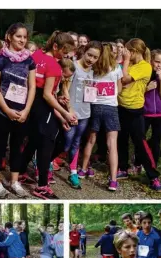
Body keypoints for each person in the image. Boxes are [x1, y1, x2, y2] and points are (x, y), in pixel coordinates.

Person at [19, 31, 76, 199]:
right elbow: (47, 95)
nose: (66, 56)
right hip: (42, 105)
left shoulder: (36, 55)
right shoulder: (54, 66)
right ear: (56, 46)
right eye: (64, 52)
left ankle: (21, 171)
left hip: (28, 101)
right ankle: (42, 186)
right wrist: (65, 114)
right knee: (47, 143)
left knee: (34, 140)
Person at [0, 22, 36, 198]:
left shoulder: (30, 60)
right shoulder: (0, 59)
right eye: (19, 36)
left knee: (18, 147)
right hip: (2, 111)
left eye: (25, 37)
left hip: (22, 112)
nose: (22, 40)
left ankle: (15, 182)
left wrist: (26, 111)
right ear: (9, 37)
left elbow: (32, 87)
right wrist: (7, 110)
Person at [116, 38, 161, 192]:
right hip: (120, 106)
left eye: (128, 51)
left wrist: (126, 60)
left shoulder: (144, 67)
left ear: (134, 52)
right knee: (121, 139)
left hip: (134, 109)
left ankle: (153, 176)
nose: (125, 53)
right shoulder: (132, 65)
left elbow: (123, 79)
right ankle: (123, 168)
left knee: (140, 143)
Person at [79, 42, 122, 191]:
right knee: (112, 145)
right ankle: (113, 180)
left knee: (91, 140)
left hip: (94, 107)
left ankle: (83, 169)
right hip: (111, 108)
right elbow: (120, 88)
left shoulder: (93, 69)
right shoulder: (117, 68)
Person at [64, 41, 102, 189]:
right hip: (70, 112)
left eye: (95, 57)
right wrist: (69, 109)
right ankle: (47, 163)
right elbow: (65, 88)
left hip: (85, 113)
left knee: (76, 142)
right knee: (66, 142)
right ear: (84, 51)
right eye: (89, 55)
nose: (91, 59)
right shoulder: (73, 66)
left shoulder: (93, 72)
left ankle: (73, 171)